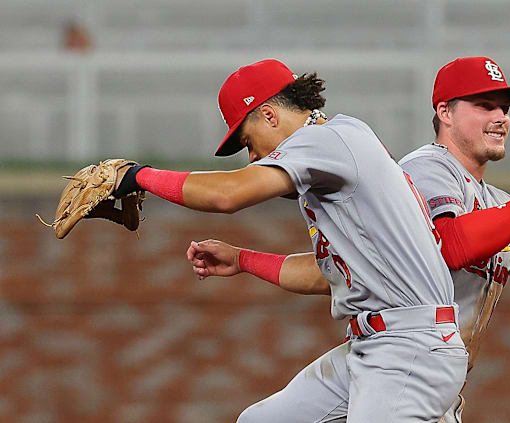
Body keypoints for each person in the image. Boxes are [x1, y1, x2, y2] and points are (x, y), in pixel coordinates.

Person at [187, 56, 510, 422]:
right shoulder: (422, 172)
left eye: (505, 107)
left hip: (419, 379)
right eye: (484, 105)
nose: (501, 116)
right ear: (444, 111)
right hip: (397, 361)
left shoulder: (494, 203)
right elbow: (452, 245)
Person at [113, 59, 468, 422]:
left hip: (410, 347)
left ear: (269, 115)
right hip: (378, 346)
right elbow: (327, 276)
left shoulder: (327, 140)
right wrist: (242, 260)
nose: (252, 156)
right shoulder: (334, 151)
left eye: (248, 142)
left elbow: (228, 194)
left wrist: (139, 177)